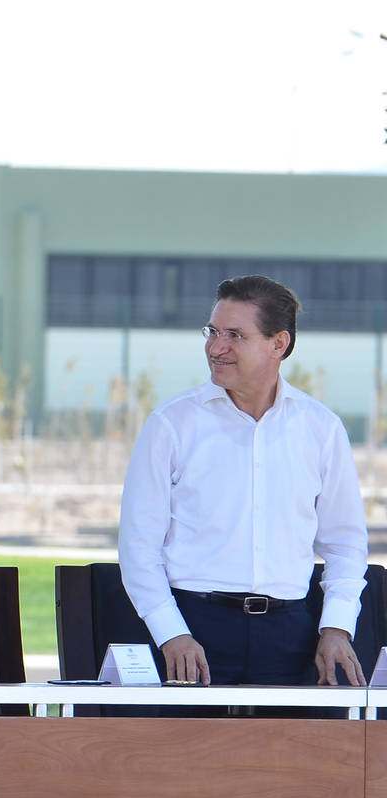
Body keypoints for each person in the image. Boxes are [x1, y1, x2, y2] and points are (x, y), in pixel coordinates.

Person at [119, 274, 368, 690]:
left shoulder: (321, 429)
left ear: (278, 343)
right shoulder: (171, 424)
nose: (216, 348)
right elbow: (138, 546)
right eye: (213, 332)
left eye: (234, 335)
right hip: (192, 631)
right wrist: (172, 634)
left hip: (293, 636)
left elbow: (344, 543)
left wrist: (337, 628)